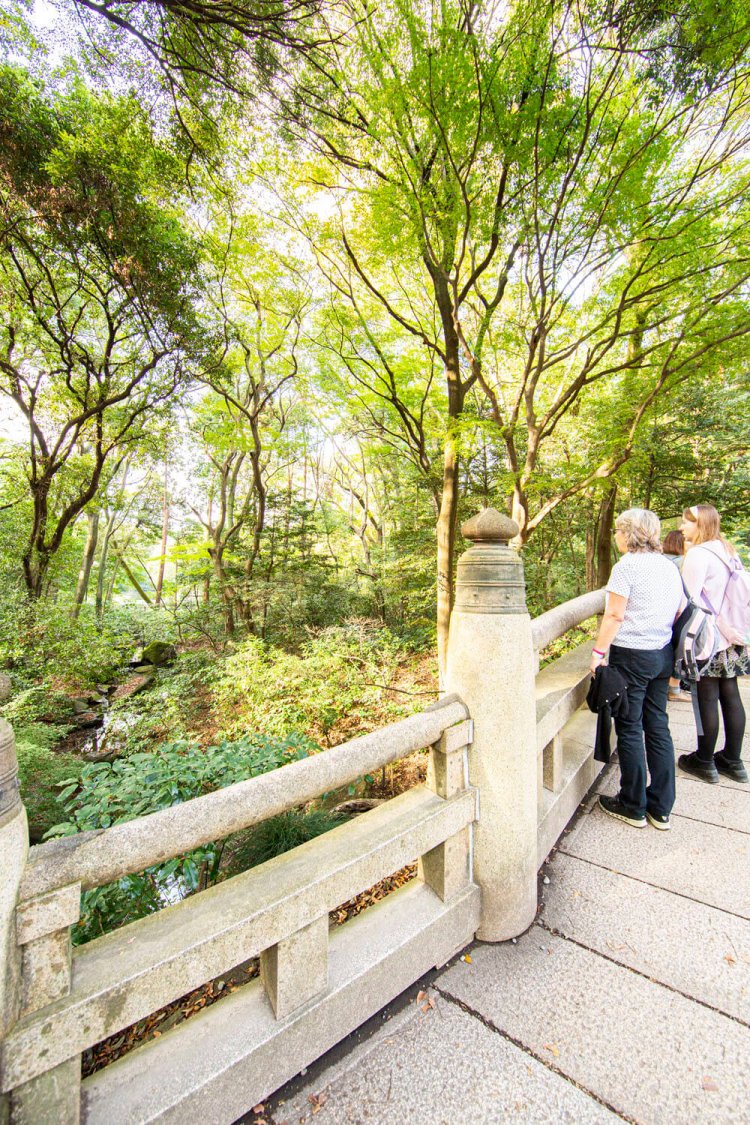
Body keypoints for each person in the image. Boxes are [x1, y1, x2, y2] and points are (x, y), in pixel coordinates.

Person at [590, 508, 684, 829]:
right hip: (662, 654)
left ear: (628, 533)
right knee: (657, 725)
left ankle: (632, 804)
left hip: (631, 656)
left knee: (630, 727)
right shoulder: (668, 566)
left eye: (618, 530)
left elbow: (614, 616)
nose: (615, 536)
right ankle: (660, 807)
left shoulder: (626, 567)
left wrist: (599, 652)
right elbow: (680, 609)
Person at [677, 504, 749, 784]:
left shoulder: (698, 554)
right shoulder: (728, 550)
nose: (683, 528)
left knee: (707, 695)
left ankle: (704, 760)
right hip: (734, 636)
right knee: (730, 693)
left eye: (687, 522)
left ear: (701, 524)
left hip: (711, 635)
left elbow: (689, 599)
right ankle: (733, 759)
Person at [662, 530, 691, 703]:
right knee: (679, 650)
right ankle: (674, 688)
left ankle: (668, 686)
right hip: (678, 612)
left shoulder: (659, 560)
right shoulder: (683, 562)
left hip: (659, 613)